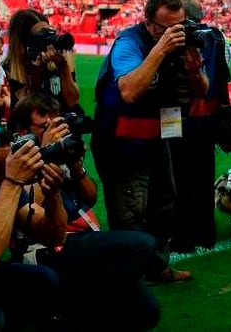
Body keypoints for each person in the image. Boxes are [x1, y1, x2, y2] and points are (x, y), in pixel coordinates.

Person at [10, 93, 161, 330]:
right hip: (44, 249)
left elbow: (90, 197)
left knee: (147, 311)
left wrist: (75, 167)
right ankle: (72, 311)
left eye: (56, 122)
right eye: (44, 126)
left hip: (81, 238)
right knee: (141, 245)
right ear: (21, 131)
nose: (54, 130)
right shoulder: (16, 161)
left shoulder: (60, 151)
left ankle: (76, 308)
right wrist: (48, 153)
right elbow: (28, 204)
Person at [91, 0, 204, 284]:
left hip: (157, 138)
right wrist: (160, 51)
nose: (176, 32)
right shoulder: (129, 43)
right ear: (149, 24)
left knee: (164, 203)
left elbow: (202, 90)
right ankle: (129, 277)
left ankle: (158, 268)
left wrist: (194, 71)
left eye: (180, 25)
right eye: (168, 28)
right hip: (120, 142)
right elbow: (129, 90)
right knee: (131, 212)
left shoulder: (181, 44)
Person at [0, 124, 62, 331]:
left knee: (43, 280)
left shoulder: (1, 184)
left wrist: (53, 196)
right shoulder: (8, 183)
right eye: (8, 167)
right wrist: (13, 181)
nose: (17, 168)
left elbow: (53, 237)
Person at [168, 0, 231, 252]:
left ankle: (182, 238)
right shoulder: (218, 37)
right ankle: (206, 234)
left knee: (177, 179)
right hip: (209, 116)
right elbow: (226, 75)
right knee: (204, 178)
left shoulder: (178, 38)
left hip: (177, 116)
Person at [3, 9, 80, 117]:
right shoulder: (11, 67)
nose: (47, 39)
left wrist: (64, 68)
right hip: (30, 129)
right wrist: (38, 70)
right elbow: (29, 110)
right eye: (41, 35)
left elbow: (73, 101)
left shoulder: (62, 58)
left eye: (48, 32)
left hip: (61, 124)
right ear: (25, 41)